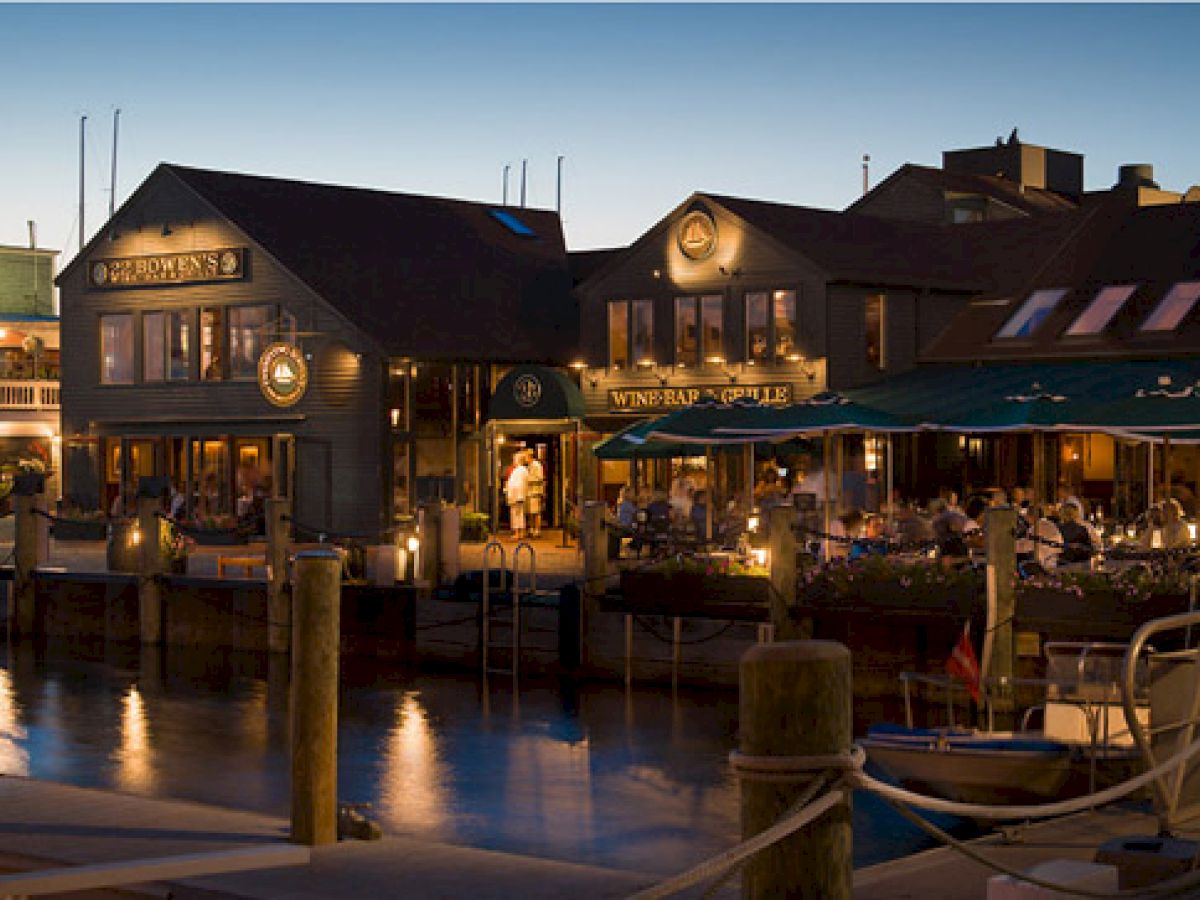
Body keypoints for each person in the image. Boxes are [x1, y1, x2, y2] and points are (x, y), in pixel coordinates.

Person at [1057, 499, 1098, 565]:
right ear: (1076, 514)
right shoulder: (1082, 529)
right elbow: (1090, 549)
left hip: (1062, 563)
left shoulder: (1058, 529)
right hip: (1080, 564)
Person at [505, 452, 529, 540]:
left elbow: (518, 484)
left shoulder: (520, 470)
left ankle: (517, 533)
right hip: (518, 495)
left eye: (515, 459)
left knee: (516, 515)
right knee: (519, 514)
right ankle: (520, 532)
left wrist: (516, 495)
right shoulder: (521, 470)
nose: (514, 461)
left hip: (517, 496)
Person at [525, 452, 545, 538]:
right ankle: (531, 528)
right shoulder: (529, 466)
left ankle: (537, 530)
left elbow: (540, 478)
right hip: (530, 492)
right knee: (530, 512)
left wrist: (528, 480)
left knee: (536, 512)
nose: (525, 459)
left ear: (530, 457)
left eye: (526, 457)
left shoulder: (537, 465)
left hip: (535, 492)